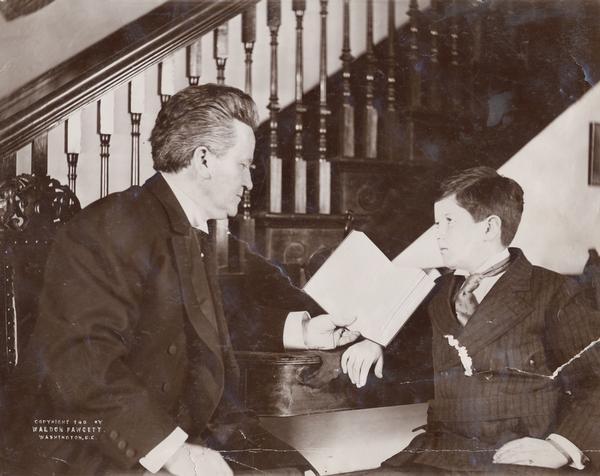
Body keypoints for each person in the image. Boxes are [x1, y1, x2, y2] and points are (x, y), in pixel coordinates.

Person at [5, 84, 357, 475]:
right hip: (103, 452)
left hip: (186, 435)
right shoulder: (116, 223)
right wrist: (174, 453)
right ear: (203, 159)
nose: (250, 183)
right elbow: (83, 363)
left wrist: (305, 331)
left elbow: (202, 321)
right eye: (243, 165)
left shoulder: (187, 227)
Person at [341, 166, 600, 472]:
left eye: (448, 222)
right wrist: (374, 339)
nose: (437, 233)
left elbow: (594, 381)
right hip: (443, 451)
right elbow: (410, 355)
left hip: (518, 458)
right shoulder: (436, 292)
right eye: (436, 223)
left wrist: (562, 446)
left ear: (489, 228)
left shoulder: (555, 292)